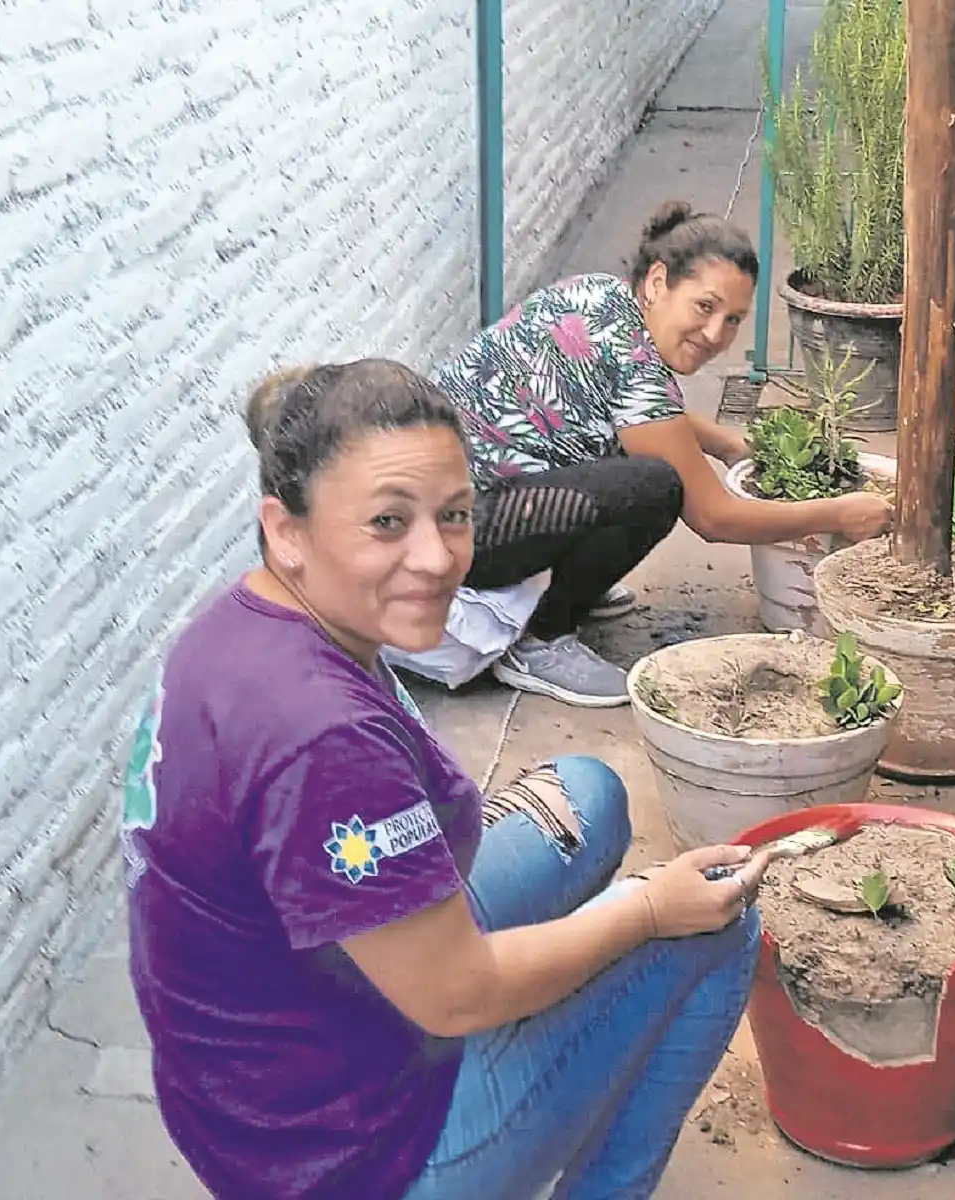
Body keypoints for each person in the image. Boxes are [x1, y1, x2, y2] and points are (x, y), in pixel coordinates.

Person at [123, 357, 776, 1200]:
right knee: (718, 922)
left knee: (590, 792)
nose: (436, 558)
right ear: (286, 529)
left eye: (456, 515)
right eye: (388, 522)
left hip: (279, 1032)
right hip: (342, 1154)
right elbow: (457, 996)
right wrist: (648, 909)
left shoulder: (250, 623)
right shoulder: (320, 735)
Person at [433, 200, 893, 708]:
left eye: (734, 319)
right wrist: (841, 514)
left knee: (639, 470)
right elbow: (715, 518)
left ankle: (571, 579)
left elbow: (643, 410)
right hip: (461, 536)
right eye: (705, 306)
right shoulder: (634, 360)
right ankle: (541, 639)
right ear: (657, 282)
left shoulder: (602, 296)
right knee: (655, 489)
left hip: (447, 505)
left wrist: (725, 443)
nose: (716, 334)